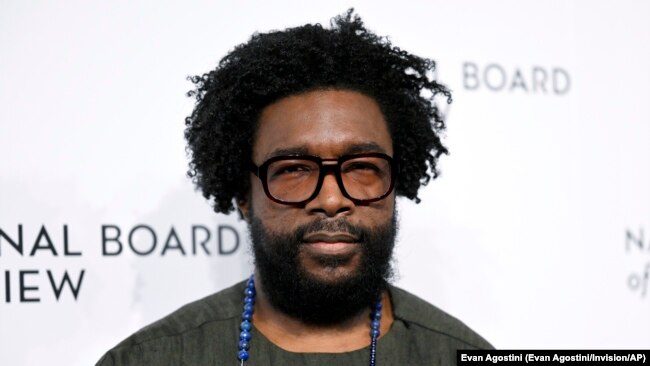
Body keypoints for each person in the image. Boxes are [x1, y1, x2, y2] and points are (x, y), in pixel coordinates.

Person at [97, 9, 492, 366]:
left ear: (394, 184)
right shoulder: (146, 359)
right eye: (294, 169)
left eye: (362, 167)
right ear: (243, 195)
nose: (332, 199)